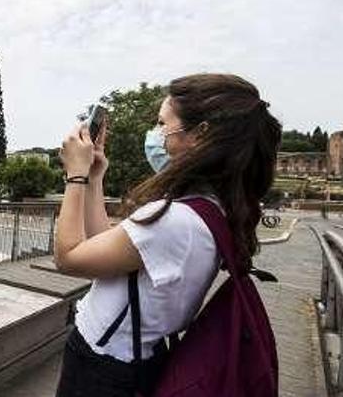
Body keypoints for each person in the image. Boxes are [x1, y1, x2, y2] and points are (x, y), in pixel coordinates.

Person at [53, 73, 281, 396]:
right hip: (137, 359)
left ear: (200, 134)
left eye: (163, 124)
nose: (157, 134)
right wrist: (94, 177)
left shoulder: (174, 221)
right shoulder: (208, 210)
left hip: (103, 369)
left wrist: (74, 176)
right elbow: (107, 248)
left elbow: (68, 256)